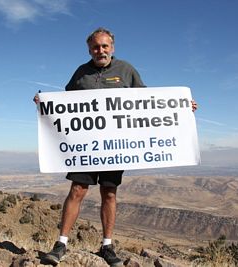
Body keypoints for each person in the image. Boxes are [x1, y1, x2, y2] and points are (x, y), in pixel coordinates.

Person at [35, 27, 197, 266]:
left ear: (112, 47)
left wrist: (181, 107)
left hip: (114, 147)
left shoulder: (126, 70)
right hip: (85, 147)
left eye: (104, 46)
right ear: (89, 49)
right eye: (95, 47)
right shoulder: (81, 72)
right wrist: (44, 104)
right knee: (77, 190)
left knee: (109, 193)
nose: (100, 50)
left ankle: (107, 246)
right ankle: (60, 244)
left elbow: (148, 102)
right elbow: (65, 102)